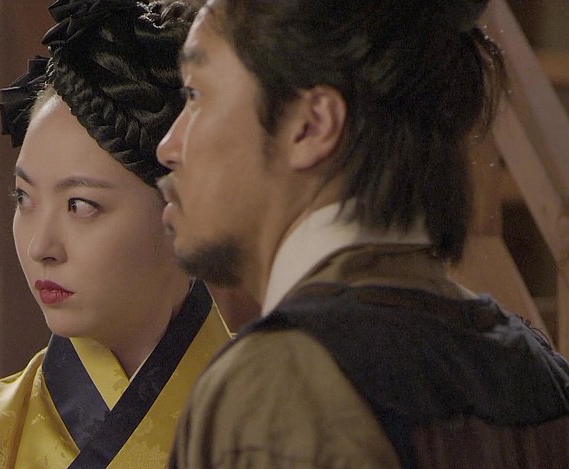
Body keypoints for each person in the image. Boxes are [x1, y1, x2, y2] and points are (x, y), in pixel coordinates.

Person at [155, 0, 569, 467]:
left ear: (311, 125)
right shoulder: (542, 375)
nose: (168, 146)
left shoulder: (281, 387)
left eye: (195, 95)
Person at [0, 1, 232, 468]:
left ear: (180, 210)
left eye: (80, 205)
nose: (40, 246)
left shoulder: (290, 417)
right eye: (24, 198)